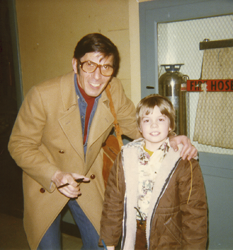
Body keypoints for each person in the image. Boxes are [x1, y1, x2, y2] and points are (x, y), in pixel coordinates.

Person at [8, 33, 197, 250]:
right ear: (75, 64)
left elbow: (134, 125)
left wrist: (172, 139)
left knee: (102, 243)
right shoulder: (43, 95)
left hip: (86, 178)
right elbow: (19, 144)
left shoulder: (113, 88)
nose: (97, 76)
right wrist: (56, 175)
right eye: (89, 65)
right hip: (48, 178)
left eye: (106, 67)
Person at [99, 94, 207, 250]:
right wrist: (109, 242)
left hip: (168, 238)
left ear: (170, 126)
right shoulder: (126, 156)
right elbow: (113, 201)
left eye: (161, 119)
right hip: (134, 236)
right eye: (147, 120)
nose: (154, 125)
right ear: (140, 127)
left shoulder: (184, 161)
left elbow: (195, 212)